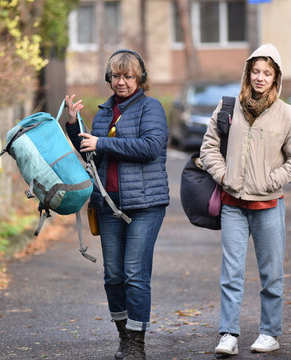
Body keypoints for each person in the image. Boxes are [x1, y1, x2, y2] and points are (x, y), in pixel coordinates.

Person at [200, 43, 291, 355]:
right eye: (256, 71)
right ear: (248, 73)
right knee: (231, 273)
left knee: (271, 273)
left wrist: (270, 181)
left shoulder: (290, 116)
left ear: (276, 78)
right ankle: (229, 335)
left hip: (269, 206)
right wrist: (224, 176)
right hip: (233, 204)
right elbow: (208, 147)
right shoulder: (227, 108)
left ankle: (270, 333)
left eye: (267, 73)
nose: (260, 78)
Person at [65, 49, 169, 360]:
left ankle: (137, 344)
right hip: (108, 205)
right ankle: (124, 337)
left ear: (140, 79)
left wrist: (103, 142)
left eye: (128, 76)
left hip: (145, 205)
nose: (121, 82)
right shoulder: (102, 112)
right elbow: (91, 154)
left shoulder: (151, 108)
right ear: (108, 78)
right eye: (116, 76)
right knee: (113, 276)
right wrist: (73, 126)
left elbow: (150, 147)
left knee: (135, 273)